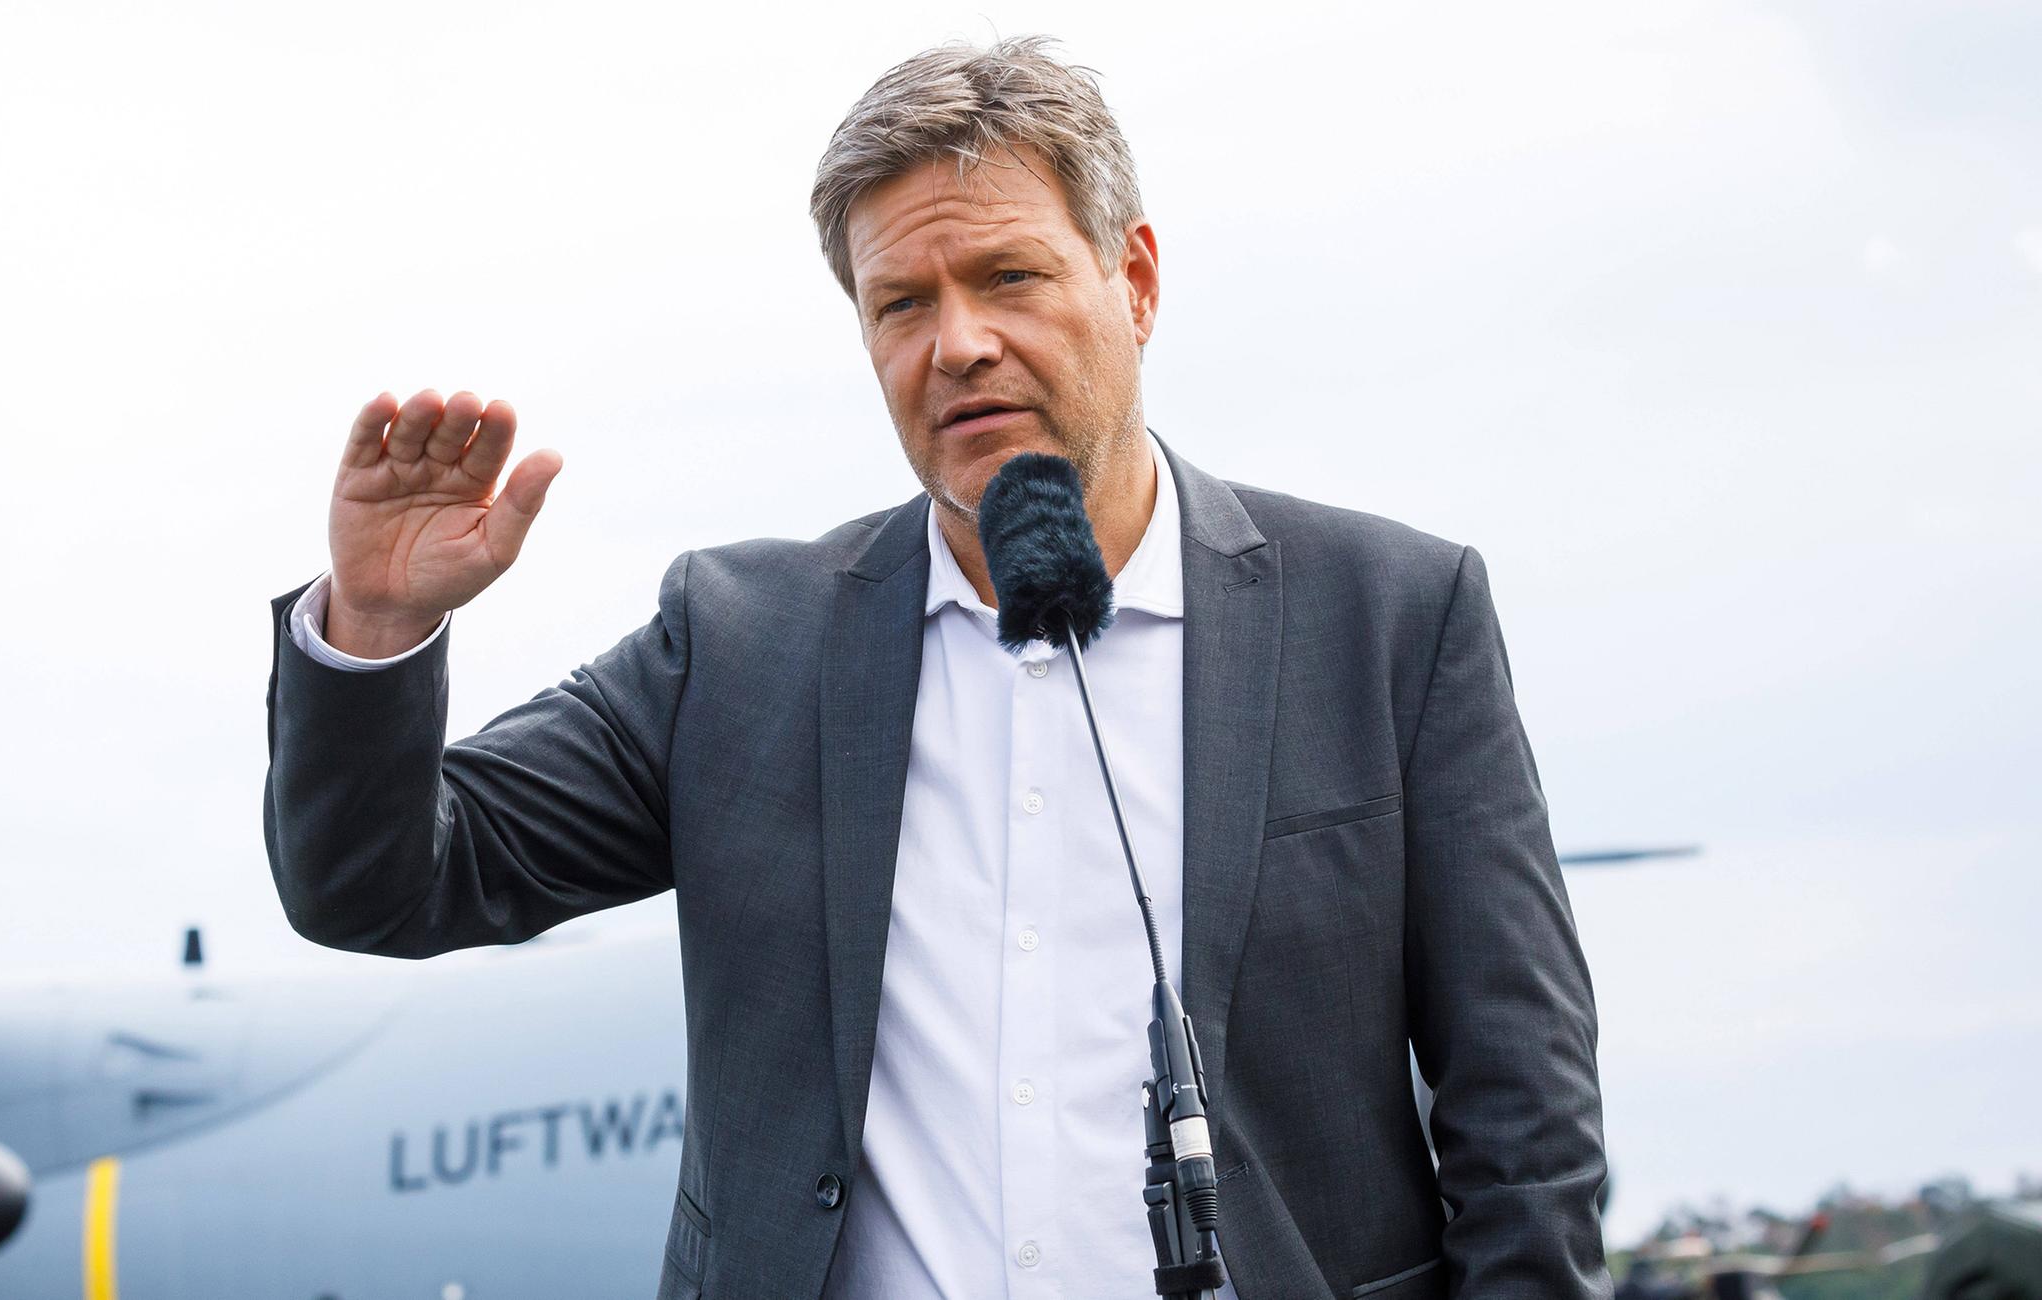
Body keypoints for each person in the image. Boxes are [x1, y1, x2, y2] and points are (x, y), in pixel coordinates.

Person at [264, 34, 1610, 1300]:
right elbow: (380, 884)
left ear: (1135, 280)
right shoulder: (736, 643)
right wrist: (375, 625)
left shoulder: (1392, 619)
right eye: (901, 302)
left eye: (1009, 277)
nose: (955, 344)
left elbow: (1526, 1122)